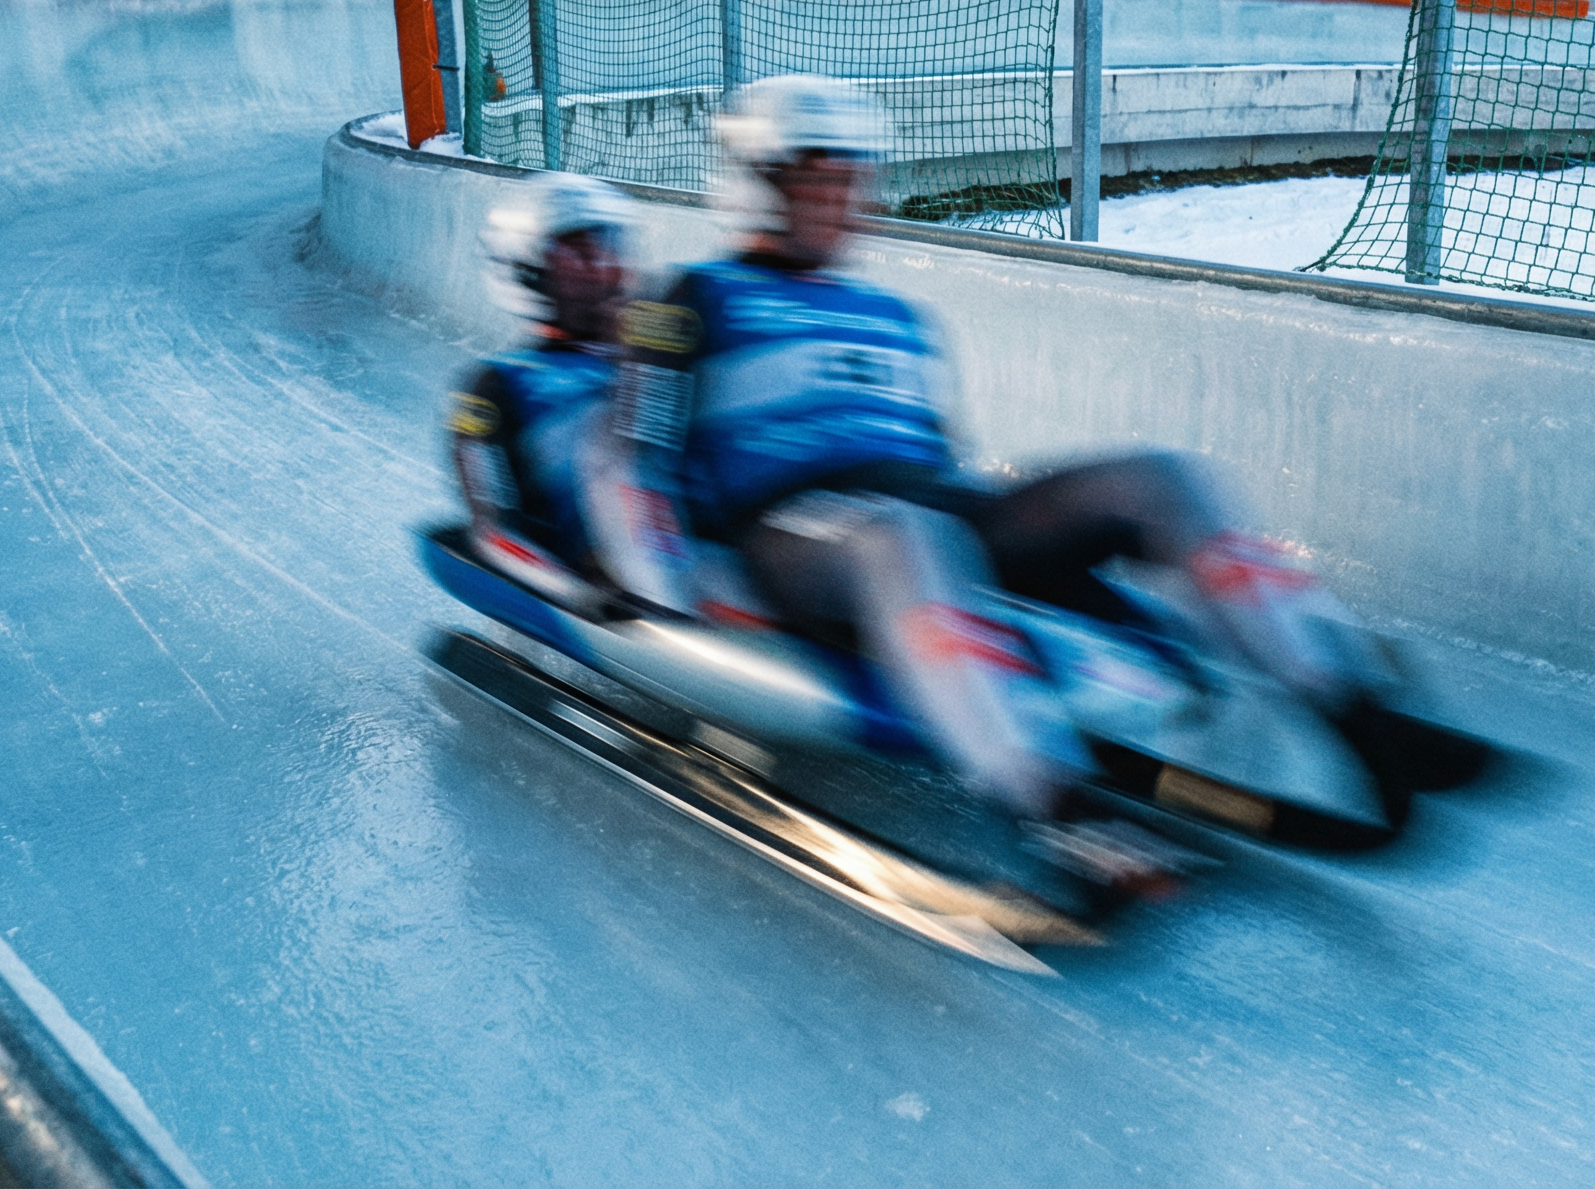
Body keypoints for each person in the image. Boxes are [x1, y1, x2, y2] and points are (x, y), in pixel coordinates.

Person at [594, 77, 1415, 890]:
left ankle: (1344, 703)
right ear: (758, 182)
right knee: (903, 532)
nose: (843, 199)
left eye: (853, 179)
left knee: (1158, 480)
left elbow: (941, 463)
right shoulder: (689, 300)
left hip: (929, 512)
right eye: (819, 178)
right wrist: (655, 591)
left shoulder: (900, 320)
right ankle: (1055, 808)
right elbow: (629, 456)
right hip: (790, 529)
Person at [448, 173, 636, 617]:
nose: (602, 266)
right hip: (594, 564)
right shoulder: (494, 385)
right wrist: (571, 588)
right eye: (580, 250)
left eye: (608, 246)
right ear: (530, 268)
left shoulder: (650, 358)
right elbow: (490, 517)